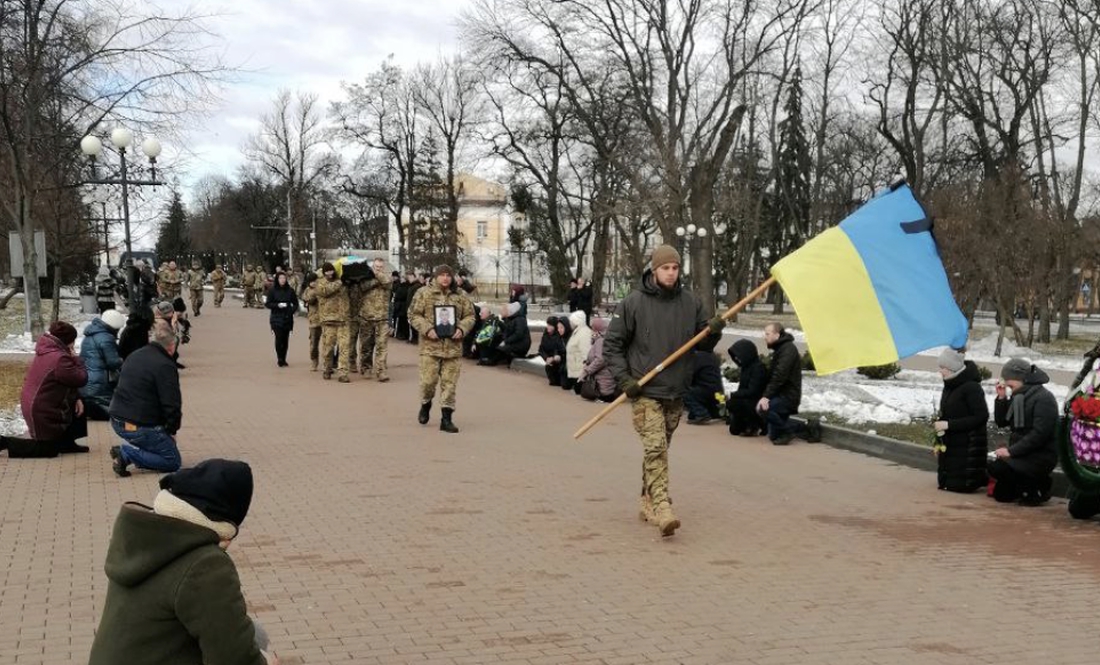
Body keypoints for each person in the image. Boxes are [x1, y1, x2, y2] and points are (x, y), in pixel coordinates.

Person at [88, 459, 280, 665]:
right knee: (255, 648)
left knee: (254, 634)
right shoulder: (204, 564)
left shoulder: (141, 539)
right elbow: (234, 659)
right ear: (224, 526)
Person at [603, 244, 726, 537]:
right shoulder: (633, 303)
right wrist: (625, 381)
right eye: (665, 268)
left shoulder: (690, 303)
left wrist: (714, 330)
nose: (671, 273)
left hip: (676, 389)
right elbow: (612, 346)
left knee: (658, 449)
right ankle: (662, 507)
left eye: (674, 268)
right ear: (654, 270)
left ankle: (646, 499)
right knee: (656, 447)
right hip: (644, 389)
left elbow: (703, 345)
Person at [108, 321, 184, 477]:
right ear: (171, 346)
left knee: (160, 444)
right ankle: (126, 454)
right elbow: (172, 404)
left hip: (118, 418)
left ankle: (134, 450)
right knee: (172, 461)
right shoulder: (165, 366)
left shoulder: (135, 355)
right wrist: (171, 431)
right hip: (139, 425)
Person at [3, 322, 89, 458]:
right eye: (72, 340)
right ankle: (4, 442)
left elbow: (67, 380)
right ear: (67, 341)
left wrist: (77, 397)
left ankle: (67, 443)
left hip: (38, 403)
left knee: (79, 399)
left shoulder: (48, 350)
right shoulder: (60, 358)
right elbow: (80, 379)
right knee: (47, 450)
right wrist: (76, 359)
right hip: (41, 410)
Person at [408, 265, 475, 433]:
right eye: (442, 275)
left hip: (453, 349)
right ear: (436, 277)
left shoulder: (460, 295)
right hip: (430, 348)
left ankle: (446, 419)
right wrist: (427, 329)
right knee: (428, 382)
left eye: (448, 275)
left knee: (449, 385)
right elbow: (413, 314)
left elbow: (470, 316)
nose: (445, 278)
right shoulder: (424, 293)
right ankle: (425, 404)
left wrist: (461, 329)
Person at [989, 358, 1059, 505]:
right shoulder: (1018, 396)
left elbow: (1039, 434)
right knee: (1002, 495)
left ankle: (1039, 485)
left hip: (1039, 455)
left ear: (1021, 379)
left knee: (999, 468)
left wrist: (1011, 451)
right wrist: (1001, 397)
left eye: (1009, 382)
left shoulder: (1043, 398)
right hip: (1021, 453)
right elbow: (1002, 422)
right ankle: (1029, 485)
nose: (1007, 385)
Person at [933, 349, 989, 493]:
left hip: (967, 443)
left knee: (959, 485)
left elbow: (981, 416)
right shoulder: (949, 386)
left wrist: (949, 425)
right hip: (951, 443)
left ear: (952, 368)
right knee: (949, 484)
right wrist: (938, 439)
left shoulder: (971, 388)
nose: (941, 372)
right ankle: (946, 480)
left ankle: (968, 483)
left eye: (943, 368)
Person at [757, 323, 821, 445]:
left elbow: (779, 376)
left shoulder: (788, 350)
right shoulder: (781, 348)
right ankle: (808, 427)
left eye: (767, 334)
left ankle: (787, 432)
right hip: (781, 395)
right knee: (773, 435)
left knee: (762, 408)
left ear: (777, 334)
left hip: (788, 397)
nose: (764, 337)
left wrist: (766, 397)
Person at [80, 309, 127, 421]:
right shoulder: (106, 338)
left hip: (86, 382)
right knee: (118, 414)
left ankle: (91, 408)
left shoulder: (90, 334)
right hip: (99, 384)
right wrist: (124, 361)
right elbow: (113, 362)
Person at [315, 262, 352, 382]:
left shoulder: (342, 282)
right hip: (329, 321)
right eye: (327, 271)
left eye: (331, 271)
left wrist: (349, 282)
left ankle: (343, 373)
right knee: (328, 347)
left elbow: (350, 296)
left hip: (343, 320)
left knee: (344, 347)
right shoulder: (320, 283)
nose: (330, 273)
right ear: (324, 272)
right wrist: (340, 282)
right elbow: (325, 291)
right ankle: (327, 368)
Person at [357, 258, 392, 381]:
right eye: (376, 267)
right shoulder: (366, 277)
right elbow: (363, 287)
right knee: (366, 345)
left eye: (380, 267)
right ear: (373, 267)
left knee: (382, 345)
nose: (378, 269)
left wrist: (377, 275)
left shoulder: (387, 276)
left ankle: (381, 371)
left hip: (382, 317)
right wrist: (375, 280)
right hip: (366, 316)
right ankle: (366, 367)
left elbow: (387, 283)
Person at [726, 339, 767, 436]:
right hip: (747, 399)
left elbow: (753, 391)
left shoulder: (758, 368)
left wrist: (734, 394)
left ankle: (755, 424)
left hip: (756, 401)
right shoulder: (746, 367)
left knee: (737, 403)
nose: (737, 359)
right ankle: (745, 423)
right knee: (734, 430)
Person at [578, 317, 618, 402]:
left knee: (579, 388)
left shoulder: (601, 341)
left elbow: (600, 360)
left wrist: (587, 371)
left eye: (592, 329)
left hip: (603, 388)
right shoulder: (606, 339)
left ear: (596, 330)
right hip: (608, 383)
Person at [265, 272, 299, 367]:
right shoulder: (272, 290)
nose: (282, 280)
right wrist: (277, 305)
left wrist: (291, 310)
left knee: (285, 339)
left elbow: (295, 303)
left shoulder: (290, 290)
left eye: (284, 278)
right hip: (276, 317)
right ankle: (279, 358)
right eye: (280, 278)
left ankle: (284, 358)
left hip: (287, 318)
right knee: (279, 338)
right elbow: (268, 303)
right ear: (277, 279)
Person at [480, 302, 530, 367]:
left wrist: (506, 341)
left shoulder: (520, 320)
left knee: (502, 348)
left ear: (509, 312)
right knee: (496, 342)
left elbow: (518, 334)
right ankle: (489, 358)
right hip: (514, 342)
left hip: (521, 344)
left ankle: (492, 361)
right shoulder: (509, 319)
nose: (500, 313)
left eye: (503, 311)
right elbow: (506, 332)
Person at [684, 349, 723, 424]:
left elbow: (689, 375)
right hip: (718, 392)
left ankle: (702, 414)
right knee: (691, 415)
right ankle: (713, 413)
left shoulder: (697, 357)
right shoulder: (711, 355)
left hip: (707, 390)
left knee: (684, 393)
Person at [565, 310, 592, 393]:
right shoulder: (577, 332)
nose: (570, 323)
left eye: (571, 321)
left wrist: (584, 371)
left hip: (580, 371)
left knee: (578, 391)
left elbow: (586, 353)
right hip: (575, 369)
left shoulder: (584, 333)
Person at [300, 272, 322, 371]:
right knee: (313, 344)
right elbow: (304, 298)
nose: (313, 283)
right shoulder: (307, 290)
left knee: (328, 344)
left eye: (315, 281)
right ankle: (314, 361)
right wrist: (310, 299)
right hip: (313, 320)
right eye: (311, 281)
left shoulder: (322, 289)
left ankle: (328, 364)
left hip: (324, 319)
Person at [538, 316, 565, 387]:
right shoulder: (545, 335)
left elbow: (559, 349)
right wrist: (546, 358)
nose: (548, 327)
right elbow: (541, 349)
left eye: (551, 325)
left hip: (558, 360)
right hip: (549, 360)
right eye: (548, 325)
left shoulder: (559, 336)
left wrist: (554, 358)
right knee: (553, 381)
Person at [405, 272, 426, 344]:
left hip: (415, 307)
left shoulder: (417, 286)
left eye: (410, 277)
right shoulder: (411, 286)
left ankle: (416, 338)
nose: (409, 279)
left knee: (415, 324)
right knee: (411, 324)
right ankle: (413, 338)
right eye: (408, 277)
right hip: (410, 306)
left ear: (414, 277)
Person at [556, 317, 574, 391]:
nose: (559, 330)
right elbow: (556, 348)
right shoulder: (559, 338)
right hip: (563, 363)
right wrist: (556, 355)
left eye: (561, 327)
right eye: (558, 327)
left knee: (566, 385)